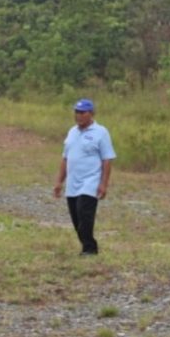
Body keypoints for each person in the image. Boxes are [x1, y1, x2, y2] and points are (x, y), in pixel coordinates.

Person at [53, 99, 116, 256]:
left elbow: (107, 159)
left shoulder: (101, 132)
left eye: (83, 112)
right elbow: (65, 158)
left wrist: (104, 184)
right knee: (76, 218)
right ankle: (85, 245)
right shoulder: (72, 132)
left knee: (84, 214)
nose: (79, 115)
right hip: (73, 182)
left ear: (91, 113)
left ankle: (90, 249)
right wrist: (59, 181)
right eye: (77, 112)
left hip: (90, 181)